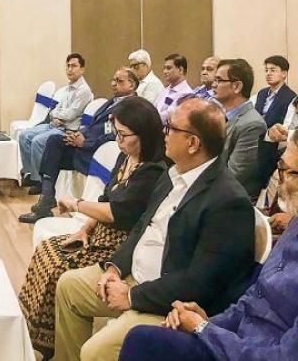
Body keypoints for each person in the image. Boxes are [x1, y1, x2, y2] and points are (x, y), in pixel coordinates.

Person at [53, 97, 255, 361]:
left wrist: (131, 296)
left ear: (193, 143)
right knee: (68, 286)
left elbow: (200, 282)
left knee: (95, 351)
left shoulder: (228, 201)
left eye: (170, 128)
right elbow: (141, 228)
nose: (164, 133)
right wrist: (115, 268)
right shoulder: (173, 174)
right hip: (133, 277)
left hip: (168, 302)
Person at [118, 130, 298, 361]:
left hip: (251, 352)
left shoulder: (226, 197)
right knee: (146, 338)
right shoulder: (294, 226)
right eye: (280, 167)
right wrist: (208, 323)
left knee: (140, 341)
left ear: (194, 142)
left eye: (288, 171)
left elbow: (283, 357)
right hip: (236, 340)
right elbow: (251, 302)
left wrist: (204, 329)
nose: (279, 179)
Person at [17, 97, 166, 360]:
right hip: (99, 234)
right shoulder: (125, 157)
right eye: (116, 133)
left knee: (58, 268)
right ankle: (34, 336)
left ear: (144, 134)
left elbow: (116, 212)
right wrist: (85, 229)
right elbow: (106, 199)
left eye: (124, 134)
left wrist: (76, 204)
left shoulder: (153, 171)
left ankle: (50, 345)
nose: (118, 140)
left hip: (120, 244)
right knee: (45, 251)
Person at [18, 67, 139, 224]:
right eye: (113, 80)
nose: (113, 84)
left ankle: (45, 200)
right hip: (84, 146)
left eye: (119, 81)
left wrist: (85, 143)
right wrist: (77, 134)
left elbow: (113, 136)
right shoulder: (112, 101)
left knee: (54, 151)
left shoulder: (132, 107)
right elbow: (92, 126)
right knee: (54, 141)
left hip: (96, 153)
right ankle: (46, 199)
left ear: (131, 85)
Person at [19, 53, 93, 195]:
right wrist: (55, 116)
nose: (70, 69)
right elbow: (55, 109)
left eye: (74, 66)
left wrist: (57, 116)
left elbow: (71, 114)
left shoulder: (84, 91)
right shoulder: (68, 87)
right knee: (24, 136)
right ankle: (31, 174)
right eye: (68, 66)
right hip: (56, 123)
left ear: (82, 69)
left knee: (37, 141)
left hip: (67, 129)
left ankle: (40, 181)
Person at [213, 58, 268, 201]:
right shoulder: (221, 116)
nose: (213, 85)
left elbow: (233, 175)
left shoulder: (252, 124)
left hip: (233, 201)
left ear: (237, 86)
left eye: (219, 80)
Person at [255, 56, 296, 187]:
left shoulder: (291, 97)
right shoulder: (261, 94)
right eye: (266, 70)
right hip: (255, 145)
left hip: (273, 149)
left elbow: (286, 129)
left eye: (273, 70)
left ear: (284, 73)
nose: (268, 74)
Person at [153, 53, 192, 125]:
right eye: (164, 68)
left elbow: (169, 117)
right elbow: (153, 110)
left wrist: (149, 118)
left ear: (180, 70)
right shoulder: (165, 90)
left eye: (168, 68)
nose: (165, 71)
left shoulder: (187, 94)